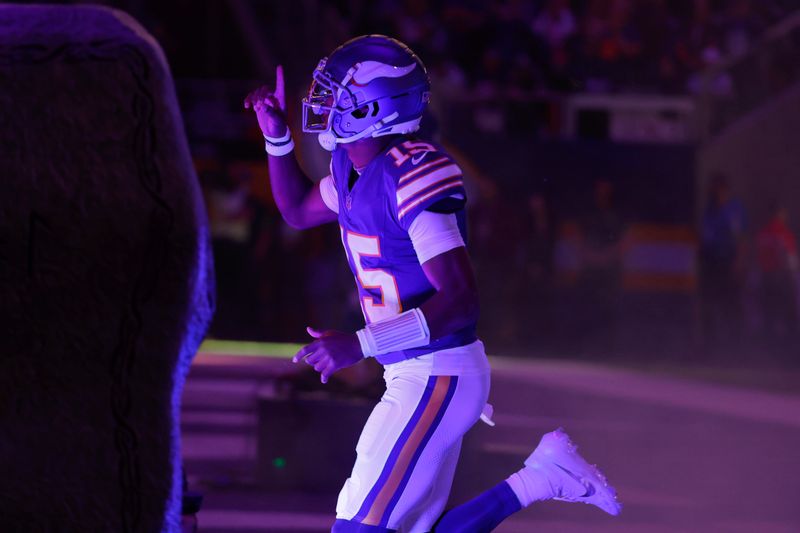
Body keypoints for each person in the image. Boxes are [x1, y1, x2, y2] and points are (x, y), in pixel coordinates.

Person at [244, 35, 620, 532]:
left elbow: (461, 302)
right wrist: (276, 138)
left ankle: (542, 479)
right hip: (414, 373)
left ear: (374, 108)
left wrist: (360, 344)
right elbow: (295, 210)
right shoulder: (352, 168)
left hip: (437, 372)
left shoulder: (412, 174)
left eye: (340, 95)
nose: (325, 103)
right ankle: (541, 479)